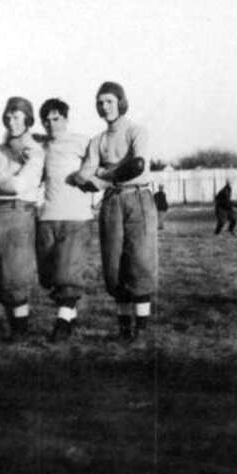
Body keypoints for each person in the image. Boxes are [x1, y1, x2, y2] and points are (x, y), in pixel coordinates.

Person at [74, 82, 157, 341]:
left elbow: (138, 166)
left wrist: (103, 173)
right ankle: (123, 328)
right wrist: (103, 175)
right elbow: (83, 175)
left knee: (140, 261)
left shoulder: (136, 131)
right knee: (114, 264)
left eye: (109, 101)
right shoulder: (97, 140)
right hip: (111, 201)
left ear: (120, 101)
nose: (104, 106)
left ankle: (141, 329)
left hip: (138, 198)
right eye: (100, 102)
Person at [0, 97, 44, 340]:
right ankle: (7, 325)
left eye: (17, 116)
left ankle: (20, 331)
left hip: (19, 212)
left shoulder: (34, 150)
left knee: (16, 272)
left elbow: (19, 185)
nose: (12, 122)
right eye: (8, 116)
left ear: (28, 119)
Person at [35, 98, 94, 342]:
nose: (51, 124)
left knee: (68, 273)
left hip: (76, 216)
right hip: (48, 216)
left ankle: (61, 322)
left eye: (56, 118)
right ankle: (70, 316)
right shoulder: (41, 147)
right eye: (46, 120)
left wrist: (86, 177)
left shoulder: (82, 142)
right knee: (50, 277)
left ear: (66, 119)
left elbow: (97, 168)